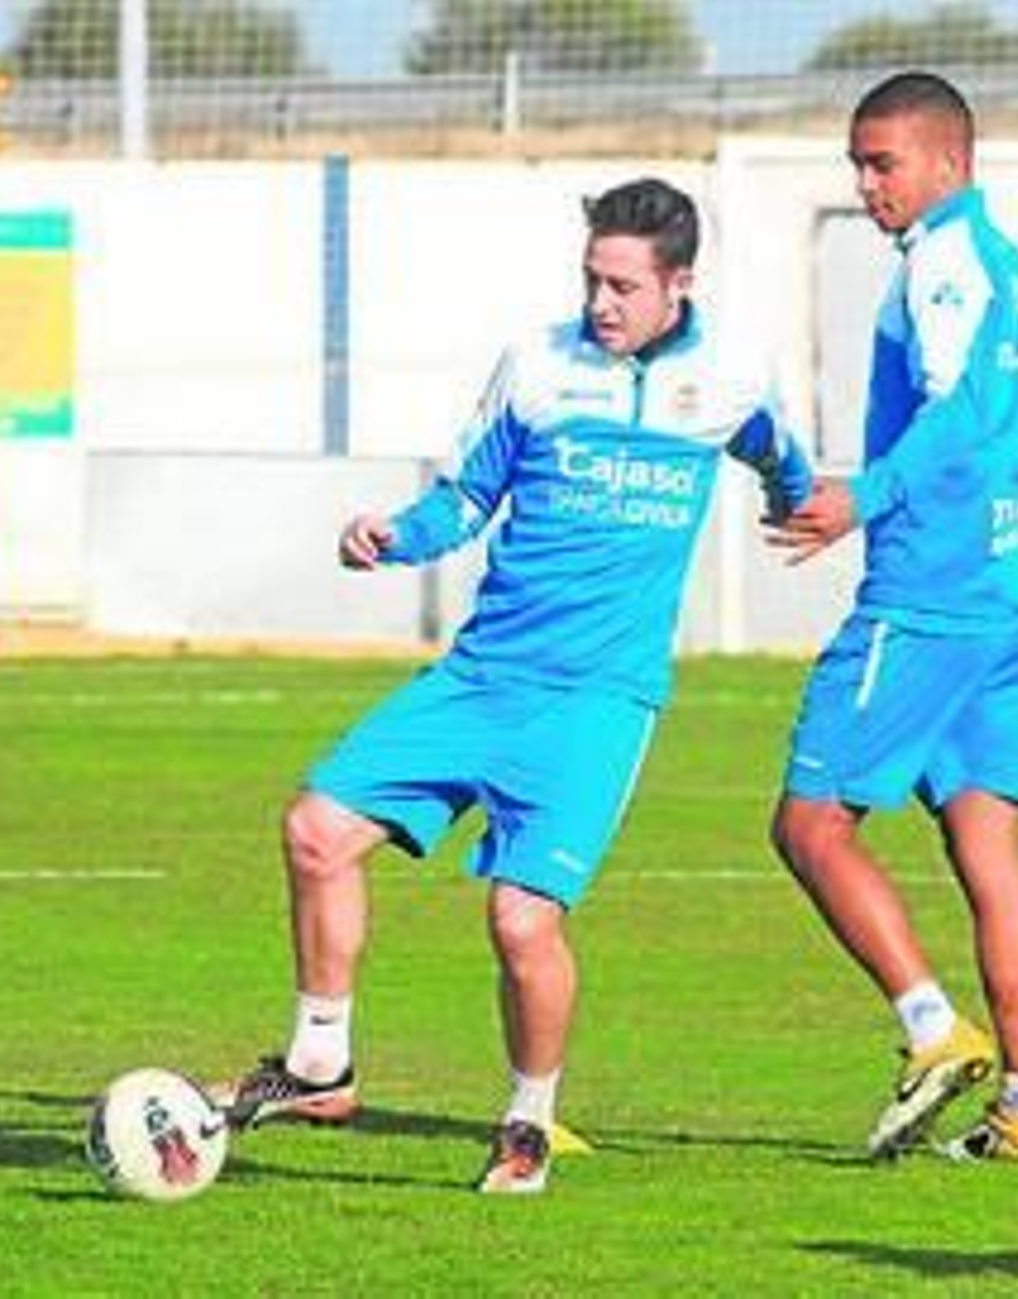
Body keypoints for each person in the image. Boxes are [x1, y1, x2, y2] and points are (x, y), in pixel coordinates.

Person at [223, 178, 812, 1193]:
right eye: (591, 278)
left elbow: (781, 460)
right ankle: (320, 1061)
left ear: (678, 283)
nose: (601, 302)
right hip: (484, 676)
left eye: (623, 284)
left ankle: (528, 1120)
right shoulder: (537, 366)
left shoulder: (729, 380)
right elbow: (466, 496)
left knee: (521, 920)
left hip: (597, 703)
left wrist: (805, 509)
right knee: (317, 829)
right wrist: (393, 537)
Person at [767, 71, 1018, 1165]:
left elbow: (960, 414)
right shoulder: (1008, 267)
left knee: (808, 825)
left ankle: (933, 1032)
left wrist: (863, 497)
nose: (866, 182)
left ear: (949, 159)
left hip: (928, 598)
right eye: (857, 161)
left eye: (882, 161)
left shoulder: (944, 260)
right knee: (989, 853)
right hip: (1005, 588)